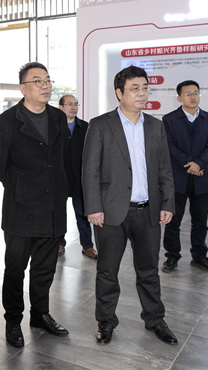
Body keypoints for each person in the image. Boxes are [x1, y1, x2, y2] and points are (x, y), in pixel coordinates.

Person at [82, 65, 177, 345]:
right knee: (107, 270)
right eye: (135, 88)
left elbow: (165, 169)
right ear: (119, 92)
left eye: (145, 87)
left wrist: (167, 203)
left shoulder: (156, 126)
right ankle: (106, 320)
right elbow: (90, 170)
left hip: (148, 211)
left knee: (149, 270)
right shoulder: (101, 125)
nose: (142, 93)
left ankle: (155, 318)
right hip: (111, 212)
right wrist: (93, 207)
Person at [0, 62, 70, 348]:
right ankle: (13, 320)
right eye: (38, 81)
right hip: (21, 207)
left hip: (52, 207)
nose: (45, 85)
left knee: (45, 268)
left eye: (47, 80)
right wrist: (22, 186)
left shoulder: (58, 117)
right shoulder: (7, 121)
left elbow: (62, 158)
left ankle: (40, 314)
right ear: (23, 88)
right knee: (15, 269)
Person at [161, 80, 208, 273]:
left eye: (195, 93)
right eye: (188, 94)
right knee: (173, 221)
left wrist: (199, 164)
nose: (193, 97)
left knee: (200, 222)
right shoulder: (169, 119)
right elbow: (169, 146)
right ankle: (172, 256)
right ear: (179, 98)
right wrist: (190, 164)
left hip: (202, 178)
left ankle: (199, 256)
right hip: (178, 178)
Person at [58, 94, 97, 259]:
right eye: (69, 104)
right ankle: (59, 243)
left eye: (76, 104)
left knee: (82, 213)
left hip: (80, 178)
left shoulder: (85, 127)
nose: (73, 107)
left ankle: (87, 246)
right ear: (61, 107)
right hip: (59, 177)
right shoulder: (54, 127)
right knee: (59, 213)